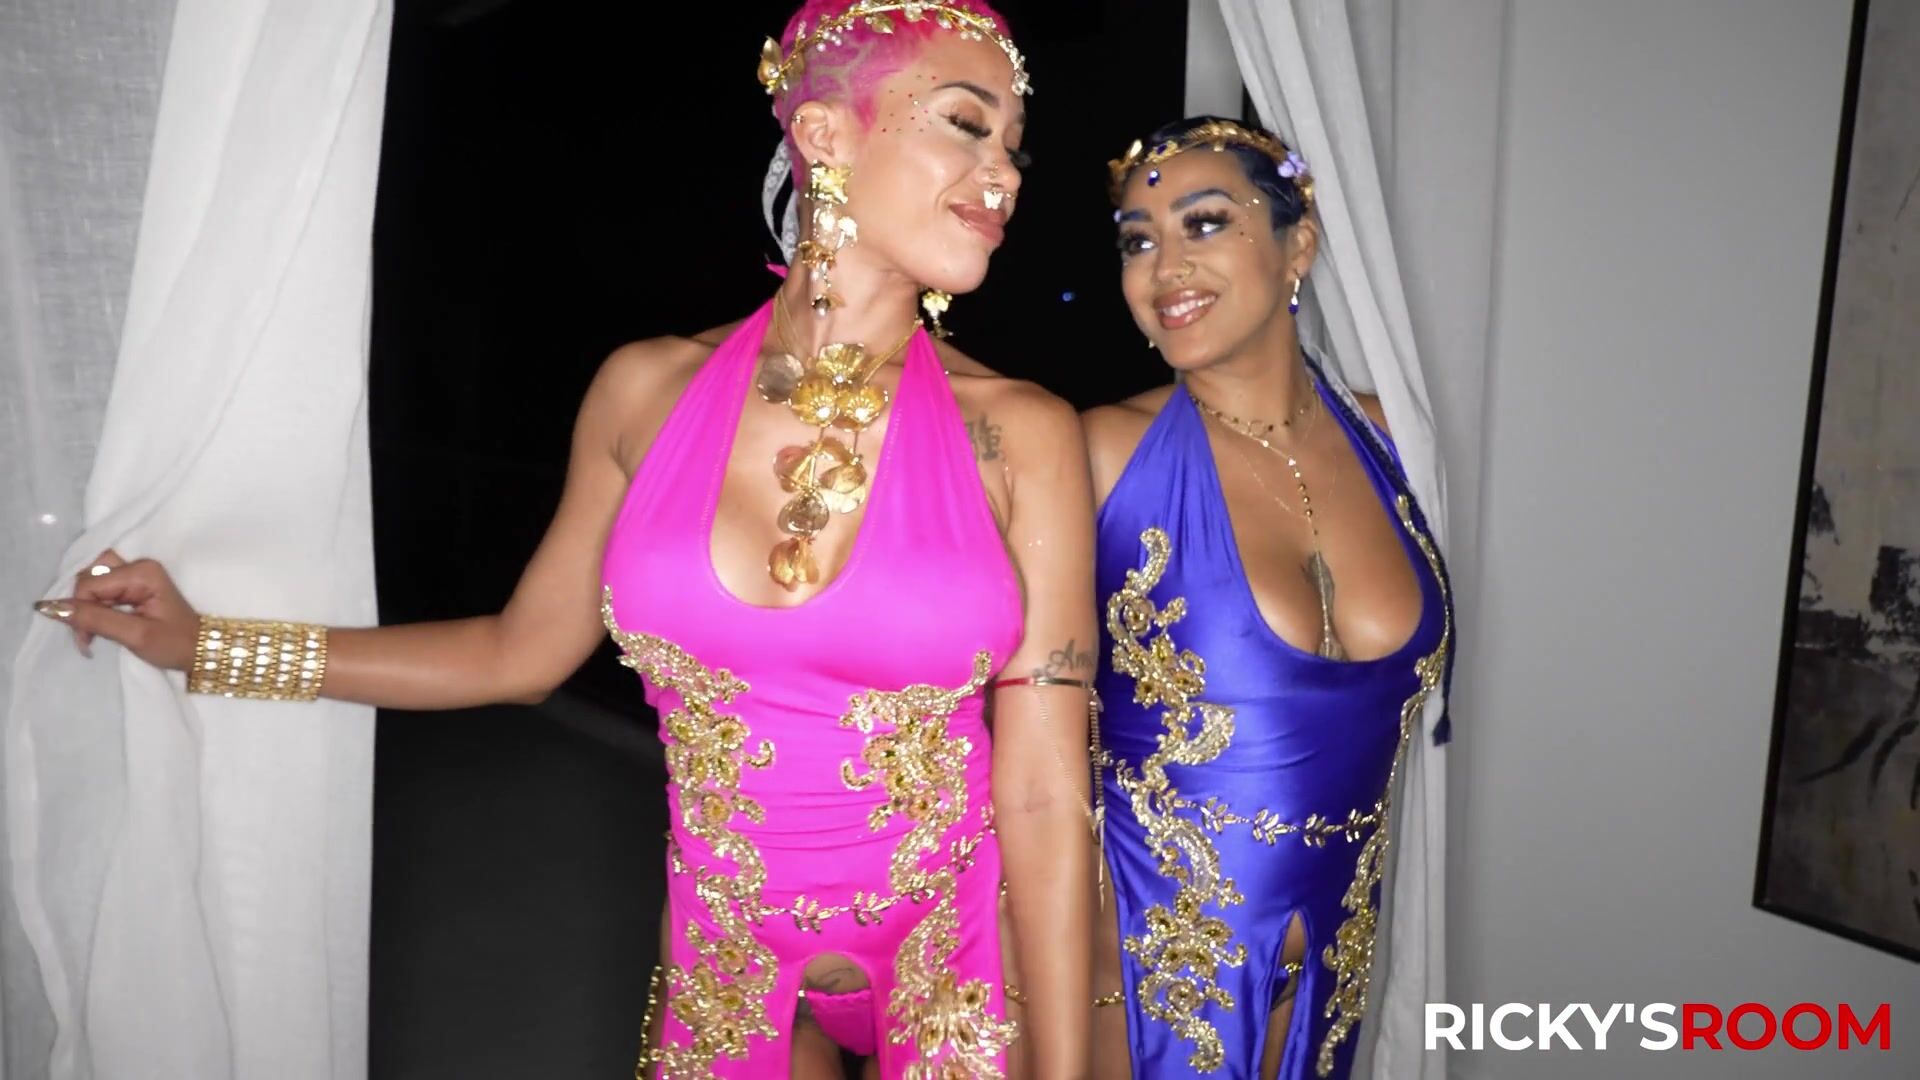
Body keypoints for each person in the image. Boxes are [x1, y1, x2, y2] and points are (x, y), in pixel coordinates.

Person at [36, 3, 1098, 1077]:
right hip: (722, 970)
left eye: (1015, 147)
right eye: (966, 124)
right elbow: (517, 653)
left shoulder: (1022, 433)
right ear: (826, 135)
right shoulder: (645, 393)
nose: (1003, 175)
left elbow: (1046, 793)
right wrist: (212, 649)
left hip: (960, 967)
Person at [1082, 117, 1454, 1079]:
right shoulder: (1101, 455)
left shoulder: (1397, 445)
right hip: (1136, 982)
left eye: (1204, 223)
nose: (1164, 267)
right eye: (1136, 241)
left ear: (1300, 245)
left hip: (1336, 974)